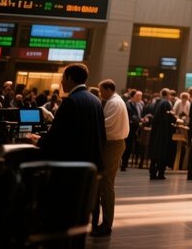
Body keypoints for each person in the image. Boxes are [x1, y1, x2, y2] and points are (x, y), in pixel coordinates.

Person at [29, 63, 105, 173]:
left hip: (70, 166)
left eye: (63, 78)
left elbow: (57, 135)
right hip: (90, 166)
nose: (61, 82)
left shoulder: (70, 101)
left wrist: (38, 141)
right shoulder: (96, 100)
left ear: (69, 78)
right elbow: (102, 135)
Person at [92, 79, 129, 237]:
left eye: (101, 91)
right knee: (105, 183)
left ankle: (107, 223)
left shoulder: (114, 102)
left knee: (106, 183)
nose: (100, 94)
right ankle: (105, 222)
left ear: (108, 89)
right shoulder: (116, 101)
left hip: (113, 144)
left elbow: (105, 125)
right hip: (114, 143)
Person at [147, 88, 175, 180]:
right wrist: (173, 116)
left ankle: (153, 172)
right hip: (163, 132)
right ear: (168, 94)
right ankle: (160, 173)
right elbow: (168, 117)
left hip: (157, 132)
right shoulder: (166, 103)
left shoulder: (157, 102)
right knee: (161, 153)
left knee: (156, 153)